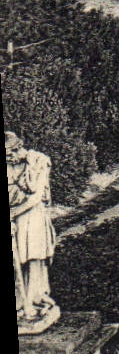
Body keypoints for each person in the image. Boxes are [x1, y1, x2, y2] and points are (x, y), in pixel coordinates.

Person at [10, 131, 59, 334]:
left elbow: (37, 196)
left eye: (10, 155)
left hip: (33, 215)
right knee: (17, 259)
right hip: (14, 218)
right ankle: (21, 304)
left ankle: (35, 300)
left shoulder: (39, 161)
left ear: (18, 149)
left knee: (34, 256)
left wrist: (13, 212)